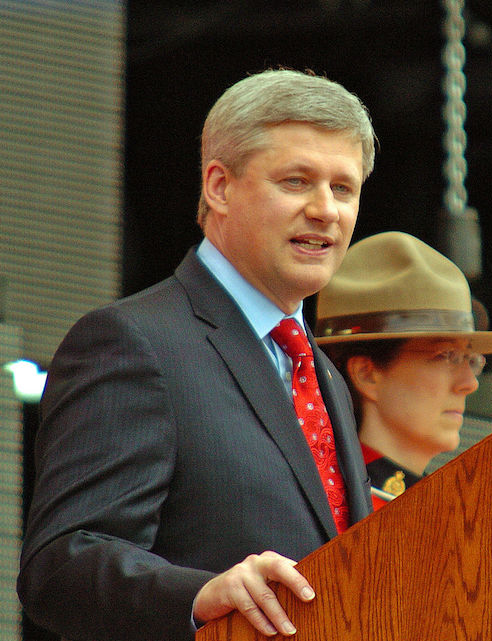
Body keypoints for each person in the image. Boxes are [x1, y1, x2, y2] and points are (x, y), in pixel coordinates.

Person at [18, 69, 377, 641]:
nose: (325, 210)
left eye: (343, 188)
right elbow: (62, 564)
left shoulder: (323, 374)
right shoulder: (134, 342)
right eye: (296, 181)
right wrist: (201, 595)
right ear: (219, 186)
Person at [314, 231, 492, 508]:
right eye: (446, 355)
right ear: (366, 374)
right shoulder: (329, 508)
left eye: (471, 359)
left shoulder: (448, 507)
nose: (469, 383)